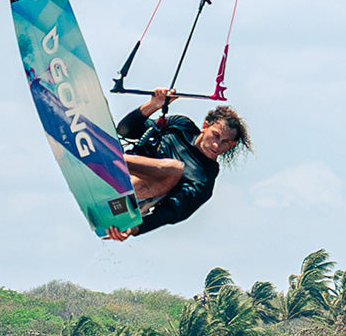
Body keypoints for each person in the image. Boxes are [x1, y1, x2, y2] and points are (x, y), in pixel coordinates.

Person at [105, 88, 252, 240]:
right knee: (101, 104)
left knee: (174, 169)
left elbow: (171, 212)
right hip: (117, 173)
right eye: (215, 135)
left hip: (130, 199)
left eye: (225, 142)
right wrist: (154, 104)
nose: (216, 145)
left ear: (231, 145)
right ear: (205, 126)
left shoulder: (203, 179)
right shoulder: (181, 126)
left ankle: (106, 158)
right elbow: (125, 130)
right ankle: (103, 159)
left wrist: (134, 229)